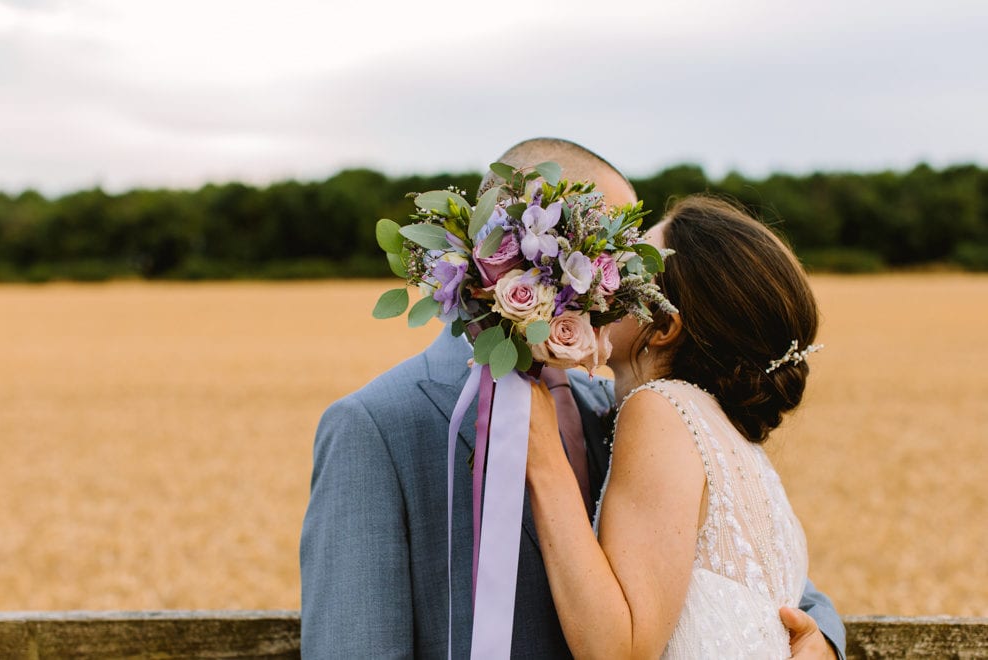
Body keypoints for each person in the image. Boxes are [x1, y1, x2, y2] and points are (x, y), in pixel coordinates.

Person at [300, 138, 846, 658]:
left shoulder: (635, 410)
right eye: (614, 254)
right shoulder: (375, 426)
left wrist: (822, 635)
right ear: (518, 249)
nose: (625, 278)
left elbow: (735, 561)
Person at [526, 194, 840, 658]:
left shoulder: (661, 409)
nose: (605, 275)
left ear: (664, 326)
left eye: (630, 268)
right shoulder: (727, 436)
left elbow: (621, 651)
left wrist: (542, 457)